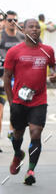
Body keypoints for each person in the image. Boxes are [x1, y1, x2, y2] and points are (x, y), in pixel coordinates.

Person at [3, 18, 56, 184]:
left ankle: (30, 170)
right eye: (30, 27)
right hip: (19, 101)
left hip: (39, 100)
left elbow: (53, 67)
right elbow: (7, 77)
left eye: (36, 27)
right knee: (18, 134)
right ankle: (18, 153)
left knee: (35, 132)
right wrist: (12, 102)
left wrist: (54, 76)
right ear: (23, 30)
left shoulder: (47, 50)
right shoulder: (14, 52)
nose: (34, 29)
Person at [0, 10, 25, 147]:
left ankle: (11, 131)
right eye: (9, 20)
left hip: (18, 79)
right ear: (5, 21)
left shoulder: (22, 38)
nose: (12, 23)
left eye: (15, 20)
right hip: (2, 77)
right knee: (0, 110)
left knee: (16, 108)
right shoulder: (1, 37)